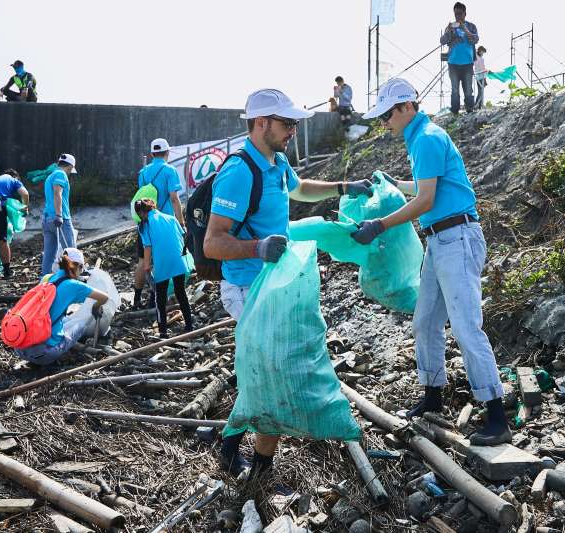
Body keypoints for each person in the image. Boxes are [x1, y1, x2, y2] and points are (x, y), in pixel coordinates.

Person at [204, 88, 373, 478]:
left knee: (267, 367)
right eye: (286, 123)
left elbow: (298, 188)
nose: (293, 129)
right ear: (260, 122)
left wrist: (343, 187)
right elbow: (213, 242)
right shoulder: (238, 171)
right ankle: (259, 465)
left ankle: (232, 448)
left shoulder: (277, 163)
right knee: (275, 369)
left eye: (295, 123)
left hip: (274, 283)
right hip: (248, 287)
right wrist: (257, 246)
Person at [352, 78, 511, 446]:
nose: (385, 121)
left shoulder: (426, 138)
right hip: (441, 240)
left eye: (388, 113)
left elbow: (425, 201)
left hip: (457, 237)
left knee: (467, 326)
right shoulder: (421, 138)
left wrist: (379, 225)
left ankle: (496, 414)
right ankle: (433, 396)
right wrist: (396, 185)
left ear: (407, 106)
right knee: (425, 321)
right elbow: (426, 190)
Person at [16, 248, 109, 365]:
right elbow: (104, 297)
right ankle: (54, 357)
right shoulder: (74, 285)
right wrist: (96, 307)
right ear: (79, 267)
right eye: (82, 269)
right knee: (80, 325)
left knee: (61, 320)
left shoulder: (48, 278)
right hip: (42, 355)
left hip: (19, 346)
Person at [132, 138, 184, 310]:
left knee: (142, 261)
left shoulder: (143, 172)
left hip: (145, 223)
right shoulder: (170, 170)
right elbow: (174, 199)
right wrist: (182, 224)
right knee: (163, 261)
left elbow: (141, 197)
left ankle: (137, 298)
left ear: (152, 153)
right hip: (164, 225)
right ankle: (156, 297)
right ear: (167, 153)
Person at [135, 198, 193, 338]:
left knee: (160, 299)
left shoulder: (144, 225)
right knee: (181, 292)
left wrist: (147, 268)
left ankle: (163, 332)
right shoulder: (170, 217)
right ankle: (189, 326)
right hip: (180, 260)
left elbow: (147, 247)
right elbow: (182, 235)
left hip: (163, 264)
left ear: (141, 212)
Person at [440, 2, 479, 114]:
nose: (457, 16)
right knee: (455, 90)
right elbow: (442, 41)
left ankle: (470, 110)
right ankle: (455, 112)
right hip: (453, 63)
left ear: (465, 13)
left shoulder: (471, 26)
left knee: (468, 90)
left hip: (467, 63)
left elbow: (475, 40)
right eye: (456, 14)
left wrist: (465, 29)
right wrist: (448, 32)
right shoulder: (451, 27)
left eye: (460, 13)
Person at [42, 153, 77, 276]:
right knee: (71, 251)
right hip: (59, 218)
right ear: (70, 166)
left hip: (47, 218)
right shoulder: (60, 174)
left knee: (49, 253)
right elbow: (58, 193)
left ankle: (43, 279)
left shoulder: (50, 176)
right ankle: (74, 277)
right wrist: (59, 215)